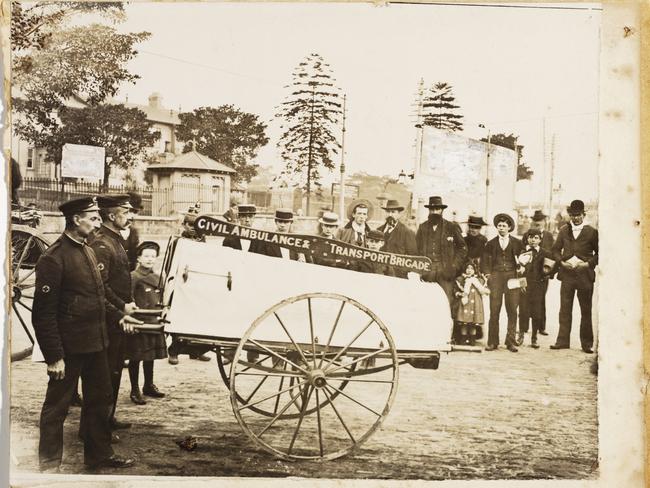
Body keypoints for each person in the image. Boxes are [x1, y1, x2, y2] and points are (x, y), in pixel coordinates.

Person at [32, 196, 138, 471]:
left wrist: (120, 317)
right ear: (76, 220)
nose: (98, 222)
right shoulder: (53, 259)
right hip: (69, 347)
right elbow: (42, 314)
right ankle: (50, 465)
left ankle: (99, 455)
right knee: (57, 408)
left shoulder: (88, 250)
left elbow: (99, 297)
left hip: (96, 342)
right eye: (92, 218)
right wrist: (54, 357)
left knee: (100, 400)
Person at [89, 194, 139, 430]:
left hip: (118, 317)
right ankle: (96, 427)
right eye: (125, 212)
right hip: (109, 319)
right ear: (112, 215)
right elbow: (101, 285)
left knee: (115, 370)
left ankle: (107, 418)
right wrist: (122, 306)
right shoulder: (102, 244)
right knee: (104, 375)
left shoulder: (115, 239)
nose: (130, 216)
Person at [550, 199, 598, 354]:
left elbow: (600, 253)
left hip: (585, 276)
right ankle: (562, 341)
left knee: (586, 310)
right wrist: (561, 263)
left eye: (578, 215)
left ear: (583, 214)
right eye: (572, 215)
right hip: (567, 275)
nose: (575, 218)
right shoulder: (564, 230)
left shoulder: (592, 231)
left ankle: (587, 344)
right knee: (564, 309)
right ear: (569, 215)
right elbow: (555, 250)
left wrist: (588, 264)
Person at [126, 241, 167, 405]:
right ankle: (134, 389)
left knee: (150, 355)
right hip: (139, 320)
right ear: (139, 258)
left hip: (153, 320)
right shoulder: (133, 277)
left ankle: (148, 385)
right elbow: (128, 298)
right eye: (146, 256)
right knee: (136, 357)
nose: (150, 259)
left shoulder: (158, 277)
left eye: (153, 256)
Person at [481, 213, 524, 352]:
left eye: (504, 226)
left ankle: (510, 342)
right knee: (494, 310)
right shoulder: (490, 243)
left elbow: (524, 258)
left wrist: (523, 266)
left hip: (512, 278)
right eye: (499, 225)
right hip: (496, 278)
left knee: (512, 310)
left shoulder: (517, 243)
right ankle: (493, 342)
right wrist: (488, 275)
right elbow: (485, 262)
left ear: (509, 227)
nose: (501, 228)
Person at [415, 196, 468, 310]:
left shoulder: (451, 227)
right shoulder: (423, 227)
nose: (434, 212)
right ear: (429, 211)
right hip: (426, 271)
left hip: (445, 271)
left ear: (442, 210)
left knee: (446, 302)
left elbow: (462, 248)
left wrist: (454, 266)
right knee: (426, 302)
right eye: (432, 209)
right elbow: (416, 249)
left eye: (437, 209)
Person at [516, 228, 553, 349]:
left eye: (536, 238)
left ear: (540, 239)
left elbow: (553, 265)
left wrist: (547, 275)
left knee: (537, 312)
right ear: (527, 239)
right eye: (530, 237)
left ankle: (534, 338)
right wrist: (521, 284)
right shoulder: (522, 252)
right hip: (525, 286)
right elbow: (518, 271)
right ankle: (521, 335)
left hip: (538, 286)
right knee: (523, 311)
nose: (533, 240)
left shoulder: (545, 253)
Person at [524, 209, 555, 335]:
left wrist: (550, 272)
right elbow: (522, 252)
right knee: (525, 298)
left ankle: (541, 327)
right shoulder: (528, 235)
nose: (537, 223)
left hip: (543, 274)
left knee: (540, 299)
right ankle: (524, 326)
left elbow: (553, 254)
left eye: (540, 221)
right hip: (529, 274)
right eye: (535, 221)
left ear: (544, 222)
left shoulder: (548, 236)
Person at [376, 199, 417, 278]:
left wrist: (403, 271)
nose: (390, 215)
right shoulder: (379, 230)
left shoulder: (406, 232)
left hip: (398, 276)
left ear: (399, 214)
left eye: (393, 212)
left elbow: (413, 256)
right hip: (379, 274)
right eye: (388, 212)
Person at [454, 261, 489, 346]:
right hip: (465, 304)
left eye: (471, 268)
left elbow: (484, 290)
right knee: (464, 322)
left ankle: (472, 339)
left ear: (475, 270)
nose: (469, 270)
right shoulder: (461, 280)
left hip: (475, 304)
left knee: (473, 323)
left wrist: (485, 291)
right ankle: (463, 338)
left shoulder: (479, 281)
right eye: (467, 268)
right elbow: (455, 290)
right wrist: (459, 294)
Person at [120, 192, 143, 271]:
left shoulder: (133, 231)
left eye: (135, 212)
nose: (132, 215)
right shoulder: (111, 230)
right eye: (129, 211)